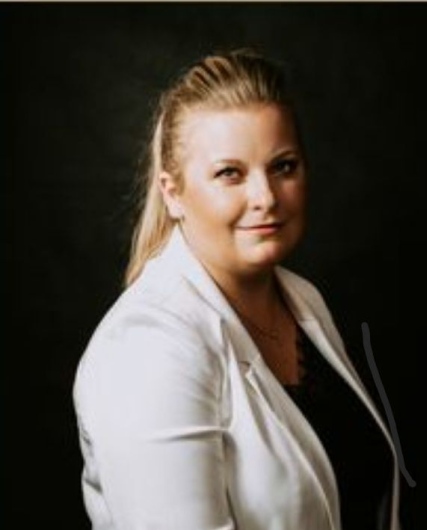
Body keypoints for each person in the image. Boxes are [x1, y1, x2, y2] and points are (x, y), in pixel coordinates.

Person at [73, 48, 402, 530]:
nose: (265, 197)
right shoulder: (147, 349)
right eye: (230, 173)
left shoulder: (302, 298)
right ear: (172, 193)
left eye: (283, 166)